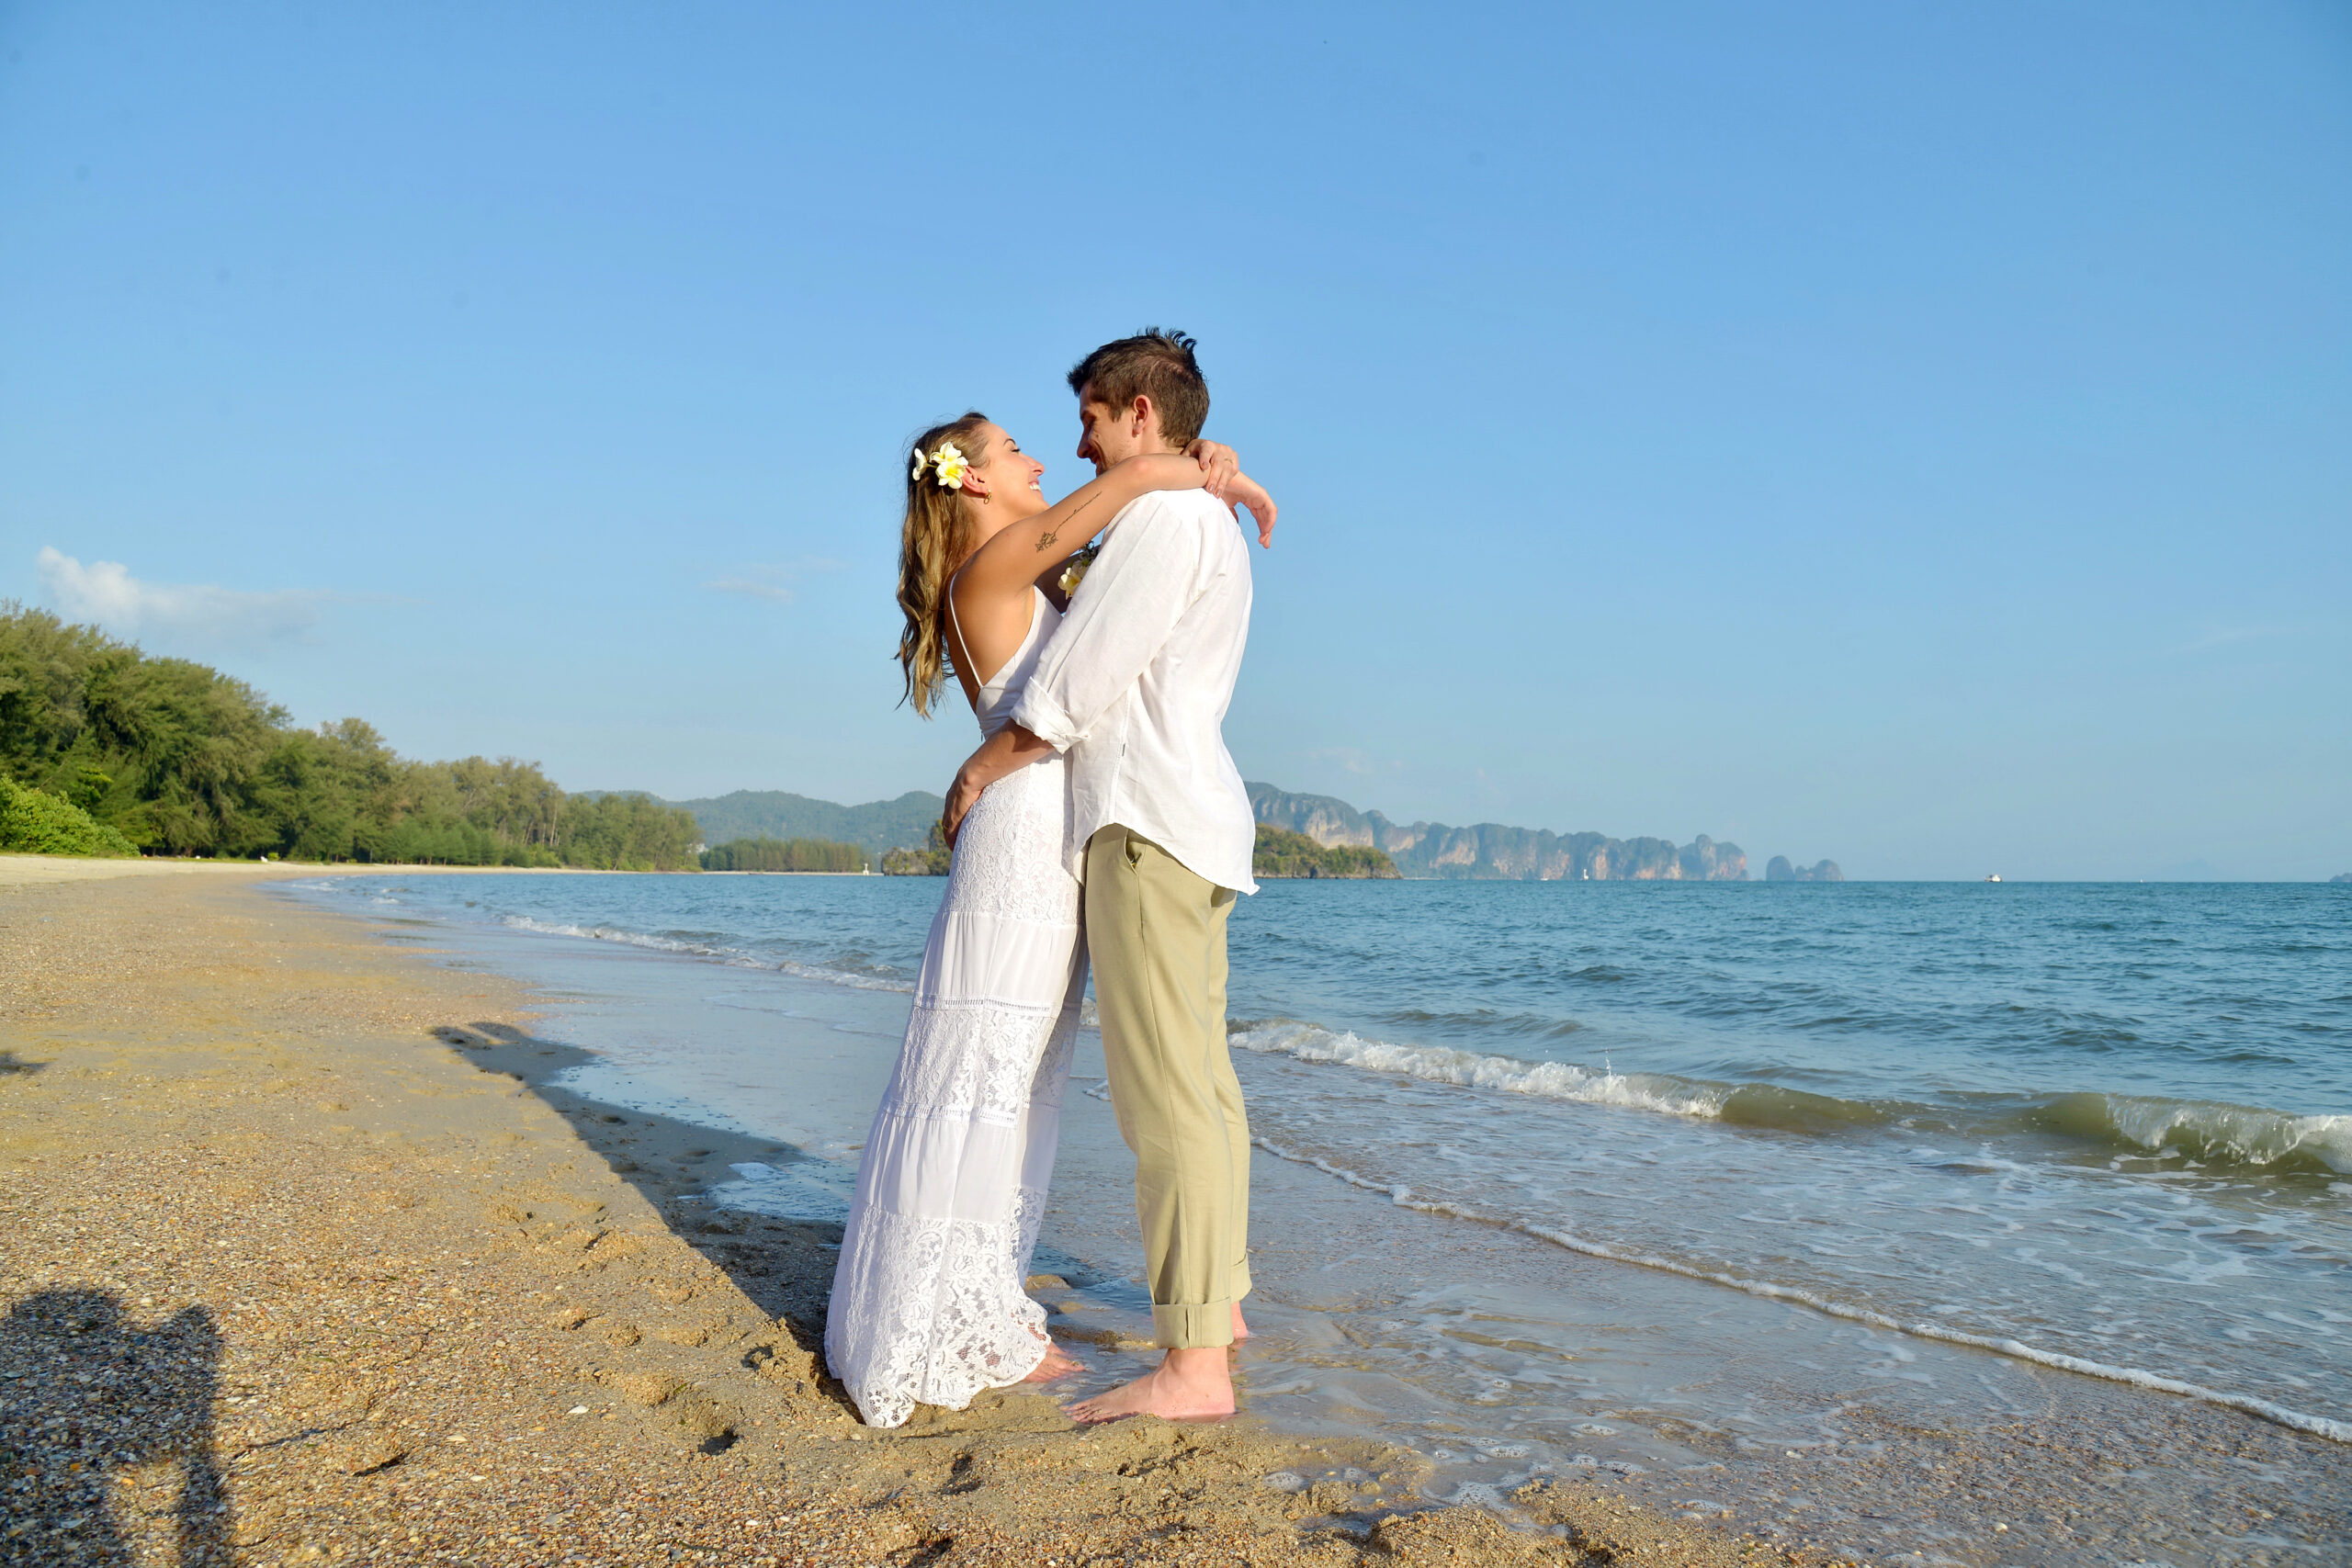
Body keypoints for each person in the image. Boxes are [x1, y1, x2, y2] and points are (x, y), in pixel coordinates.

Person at [824, 399, 1274, 1429]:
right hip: (1024, 841)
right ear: (971, 480)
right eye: (1014, 449)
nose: (1040, 458)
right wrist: (1208, 467)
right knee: (982, 1075)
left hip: (1050, 836)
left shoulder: (1031, 569)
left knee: (1013, 1082)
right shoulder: (988, 572)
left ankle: (977, 1303)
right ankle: (950, 1318)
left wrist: (1204, 460)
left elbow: (1133, 542)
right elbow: (1124, 486)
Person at [944, 330, 1265, 1423]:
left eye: (1088, 419)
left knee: (1167, 1105)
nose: (1080, 444)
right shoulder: (1185, 508)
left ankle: (1194, 1369)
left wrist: (990, 755)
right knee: (1203, 1095)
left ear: (1136, 413)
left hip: (1144, 826)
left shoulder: (1166, 519)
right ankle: (1214, 1316)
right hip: (1192, 824)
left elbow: (1082, 674)